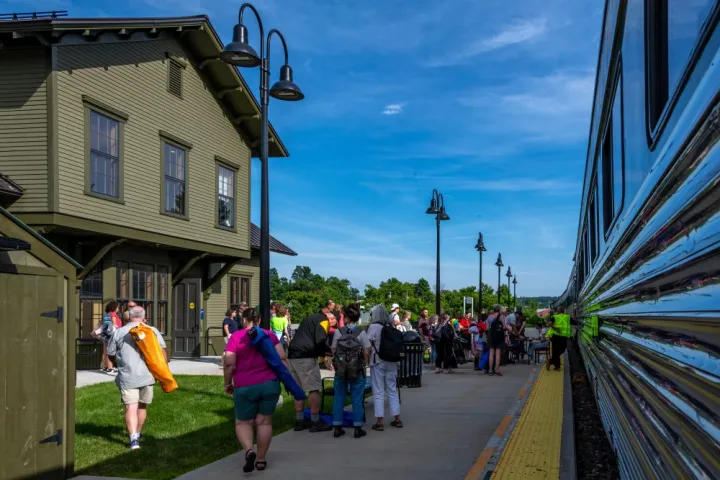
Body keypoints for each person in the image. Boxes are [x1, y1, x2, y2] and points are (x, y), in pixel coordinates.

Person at [224, 308, 286, 473]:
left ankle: (249, 451)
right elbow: (281, 357)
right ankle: (260, 460)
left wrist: (227, 383)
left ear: (244, 320)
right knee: (264, 422)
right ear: (259, 320)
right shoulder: (269, 335)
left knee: (243, 422)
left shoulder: (236, 337)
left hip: (245, 385)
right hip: (269, 384)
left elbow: (229, 363)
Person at [106, 306, 167, 450]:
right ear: (144, 316)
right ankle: (138, 433)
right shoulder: (152, 331)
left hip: (128, 375)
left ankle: (133, 439)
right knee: (142, 406)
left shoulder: (120, 332)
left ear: (129, 316)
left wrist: (116, 363)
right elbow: (163, 354)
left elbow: (110, 353)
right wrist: (163, 372)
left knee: (130, 407)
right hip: (148, 376)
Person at [287, 312, 334, 432]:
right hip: (306, 356)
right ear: (330, 318)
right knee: (313, 389)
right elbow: (320, 340)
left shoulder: (310, 318)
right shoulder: (324, 320)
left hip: (292, 354)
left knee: (298, 389)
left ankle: (299, 422)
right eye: (334, 323)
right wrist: (328, 351)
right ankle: (315, 422)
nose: (332, 326)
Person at [331, 304, 370, 439]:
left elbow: (333, 349)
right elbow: (366, 350)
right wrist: (364, 363)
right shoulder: (361, 332)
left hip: (341, 370)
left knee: (339, 398)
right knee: (357, 399)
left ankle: (337, 427)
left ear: (346, 317)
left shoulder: (338, 332)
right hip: (356, 369)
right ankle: (357, 428)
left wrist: (335, 363)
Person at [367, 305, 403, 430]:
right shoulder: (390, 326)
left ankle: (380, 421)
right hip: (392, 361)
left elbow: (368, 345)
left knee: (378, 391)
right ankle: (397, 419)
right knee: (392, 390)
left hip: (378, 361)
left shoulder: (373, 327)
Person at [547, 306, 571, 370]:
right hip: (562, 337)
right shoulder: (568, 317)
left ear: (558, 311)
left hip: (555, 337)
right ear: (563, 310)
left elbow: (549, 323)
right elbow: (575, 322)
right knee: (561, 350)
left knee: (555, 351)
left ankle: (553, 363)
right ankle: (555, 365)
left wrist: (555, 328)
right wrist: (556, 328)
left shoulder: (554, 316)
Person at [100, 300, 121, 373]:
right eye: (118, 307)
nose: (118, 308)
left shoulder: (106, 315)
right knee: (110, 351)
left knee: (105, 351)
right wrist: (118, 329)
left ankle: (106, 367)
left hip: (105, 334)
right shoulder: (113, 314)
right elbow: (114, 324)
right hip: (112, 335)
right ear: (114, 307)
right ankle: (110, 368)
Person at [487, 305, 505, 376]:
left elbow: (487, 328)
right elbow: (504, 326)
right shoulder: (502, 317)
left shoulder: (489, 317)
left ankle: (490, 370)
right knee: (498, 354)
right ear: (499, 310)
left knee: (491, 354)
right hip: (499, 337)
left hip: (491, 336)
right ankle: (497, 369)